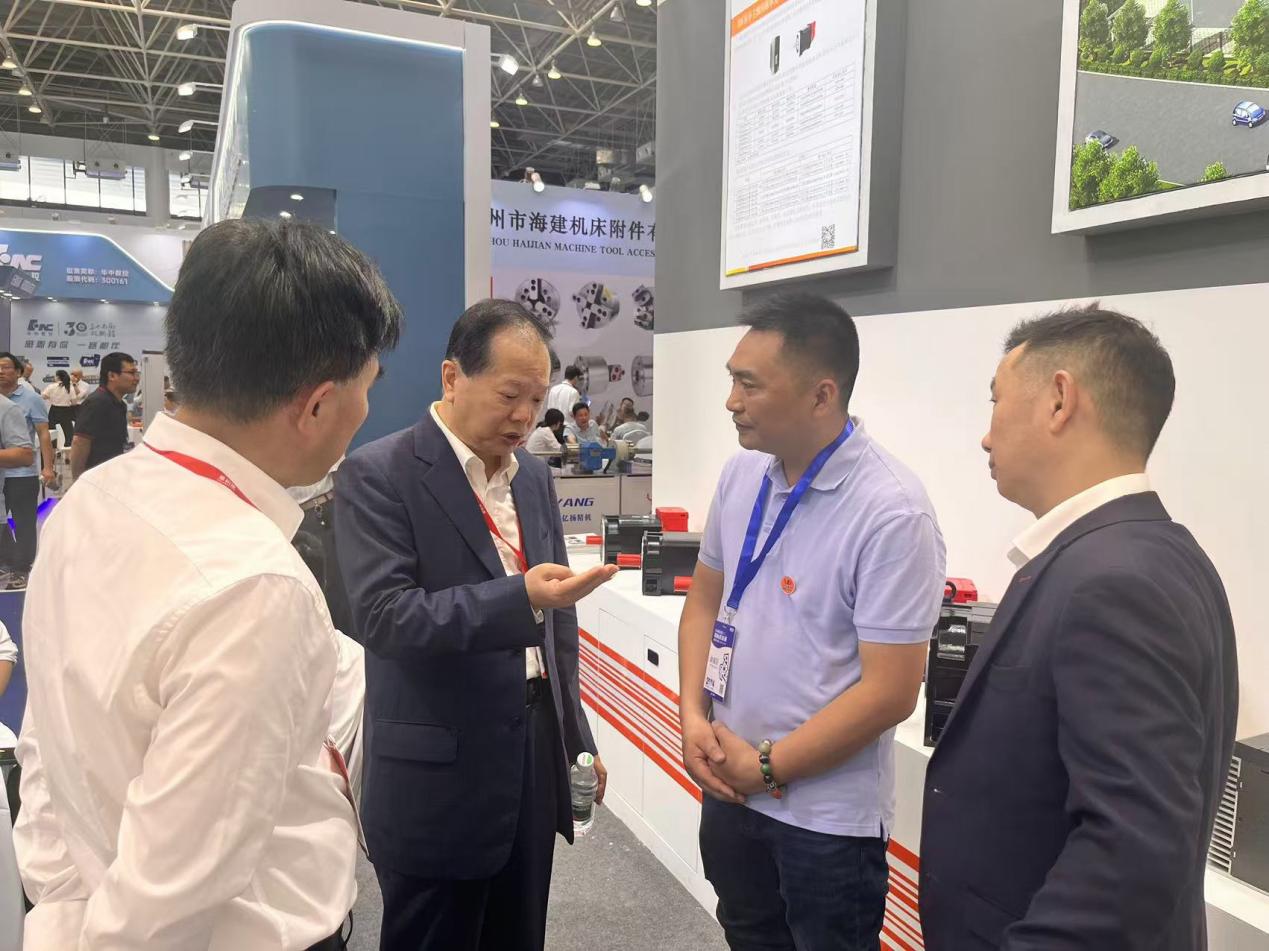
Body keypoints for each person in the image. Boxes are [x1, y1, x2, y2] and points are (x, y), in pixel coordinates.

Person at [14, 218, 402, 951]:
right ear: (318, 405)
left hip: (84, 900)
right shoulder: (253, 586)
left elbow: (49, 742)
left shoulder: (89, 502)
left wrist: (62, 906)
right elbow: (164, 908)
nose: (366, 412)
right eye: (367, 387)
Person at [919, 305, 1238, 950]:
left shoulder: (1114, 581)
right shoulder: (1139, 553)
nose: (985, 437)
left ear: (1060, 400)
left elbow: (1133, 854)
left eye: (995, 402)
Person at [335, 298, 619, 951]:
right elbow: (384, 617)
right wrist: (518, 597)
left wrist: (576, 737)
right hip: (437, 771)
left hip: (530, 756)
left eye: (536, 399)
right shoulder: (380, 473)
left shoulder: (534, 478)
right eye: (509, 396)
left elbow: (558, 629)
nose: (524, 417)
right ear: (452, 378)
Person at [678, 293, 946, 951]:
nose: (731, 401)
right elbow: (704, 601)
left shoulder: (891, 512)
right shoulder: (742, 474)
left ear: (821, 395)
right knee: (747, 935)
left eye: (750, 384)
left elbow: (891, 691)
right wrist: (691, 716)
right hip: (730, 787)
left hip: (825, 822)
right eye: (732, 380)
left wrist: (767, 767)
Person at [0, 351, 53, 591]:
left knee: (23, 522)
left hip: (22, 474)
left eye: (6, 367)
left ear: (18, 372)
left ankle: (22, 569)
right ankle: (7, 562)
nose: (1, 371)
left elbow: (43, 434)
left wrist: (48, 467)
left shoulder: (30, 398)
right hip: (2, 473)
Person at [70, 350, 137, 480]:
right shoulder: (97, 402)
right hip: (96, 479)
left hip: (112, 476)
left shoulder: (119, 404)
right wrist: (79, 481)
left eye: (136, 373)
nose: (136, 378)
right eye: (131, 373)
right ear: (112, 375)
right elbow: (80, 442)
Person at [42, 370, 78, 445]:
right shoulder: (69, 387)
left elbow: (43, 396)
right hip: (66, 411)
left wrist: (51, 397)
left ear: (58, 377)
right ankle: (68, 448)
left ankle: (53, 448)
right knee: (68, 432)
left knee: (52, 431)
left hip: (54, 410)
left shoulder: (52, 386)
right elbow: (74, 402)